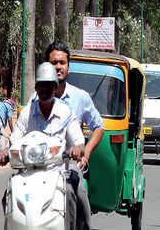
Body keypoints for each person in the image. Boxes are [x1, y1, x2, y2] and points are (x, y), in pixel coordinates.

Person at [0, 62, 90, 230]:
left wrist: (77, 148)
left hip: (59, 172)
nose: (45, 89)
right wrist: (5, 153)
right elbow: (15, 140)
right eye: (41, 85)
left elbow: (79, 140)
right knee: (8, 195)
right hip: (28, 173)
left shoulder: (65, 112)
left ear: (55, 87)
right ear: (36, 88)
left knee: (76, 193)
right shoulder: (27, 112)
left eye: (49, 85)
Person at [29, 41, 105, 169]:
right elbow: (21, 133)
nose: (58, 67)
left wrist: (84, 153)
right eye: (54, 63)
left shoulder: (81, 97)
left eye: (62, 63)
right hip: (37, 167)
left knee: (77, 188)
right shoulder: (34, 99)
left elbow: (99, 127)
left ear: (68, 67)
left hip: (68, 168)